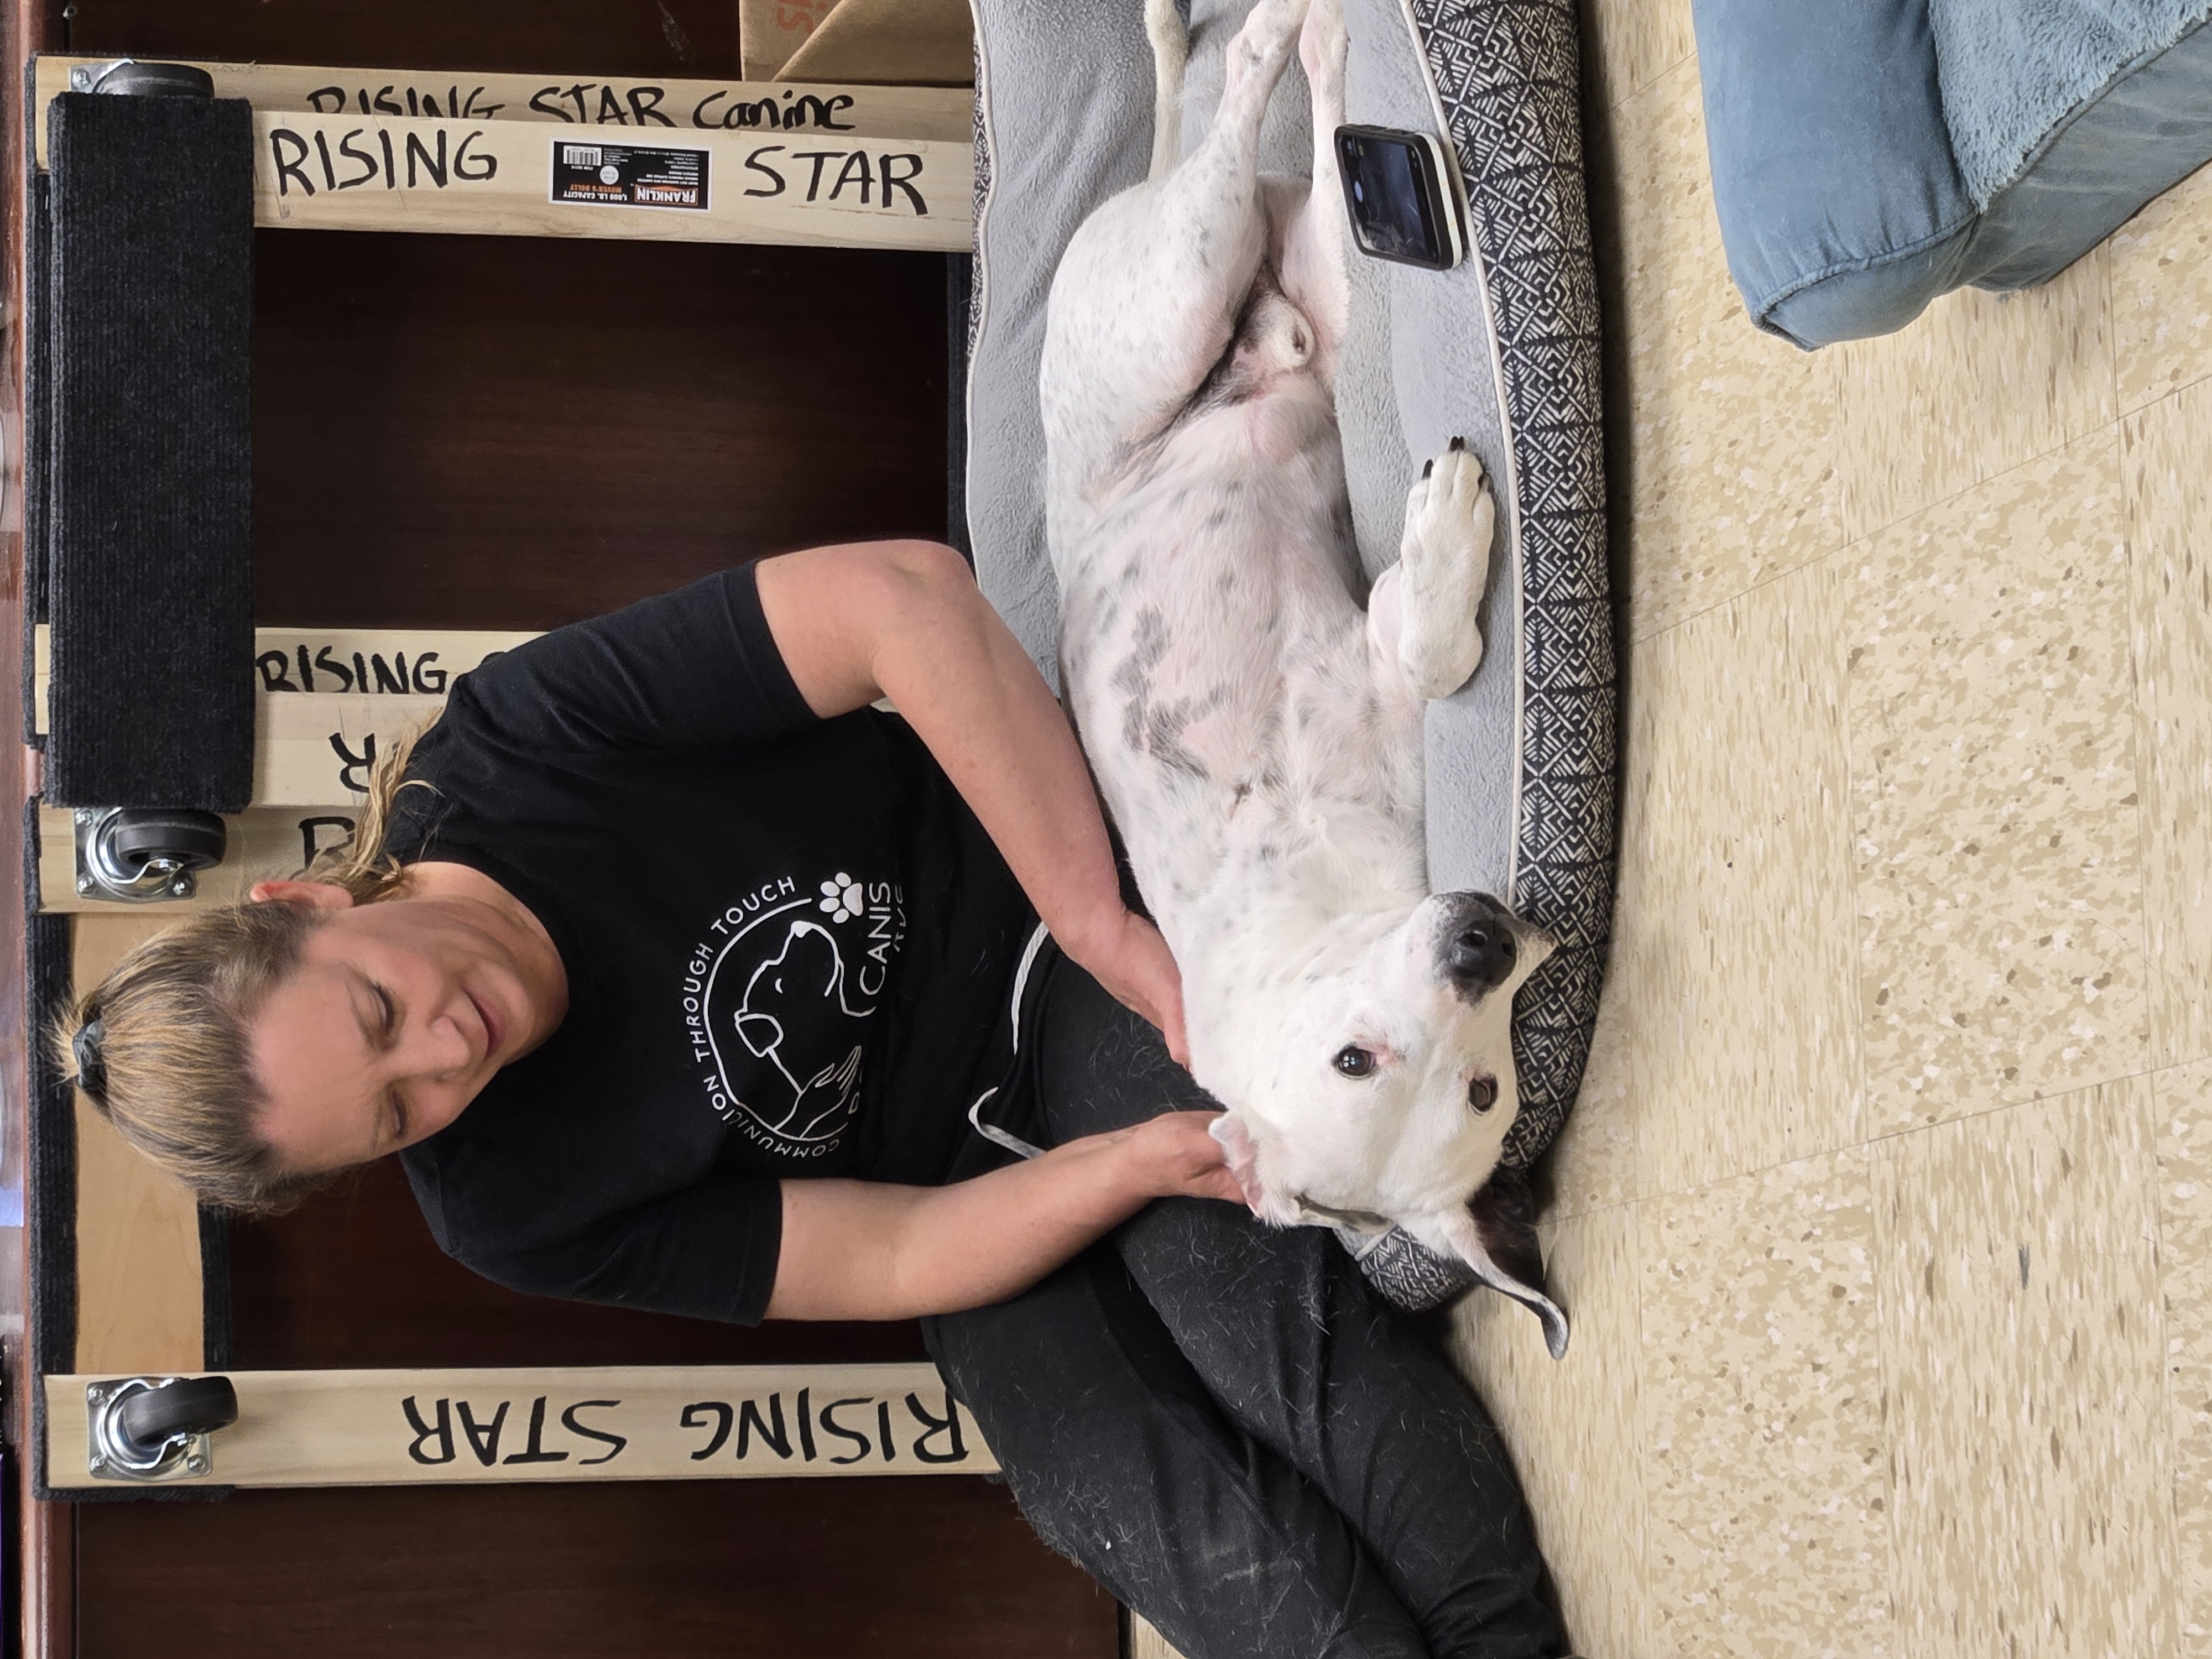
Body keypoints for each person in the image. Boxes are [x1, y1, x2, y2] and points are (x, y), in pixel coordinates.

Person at [59, 540, 1567, 1659]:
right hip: (957, 1195)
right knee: (1134, 1498)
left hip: (1050, 933)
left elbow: (901, 603)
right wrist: (1120, 1171)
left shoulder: (516, 750)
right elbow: (898, 1258)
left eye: (378, 1014)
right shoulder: (509, 1212)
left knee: (1274, 1351)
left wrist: (1104, 926)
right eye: (398, 1118)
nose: (447, 1053)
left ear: (315, 899)